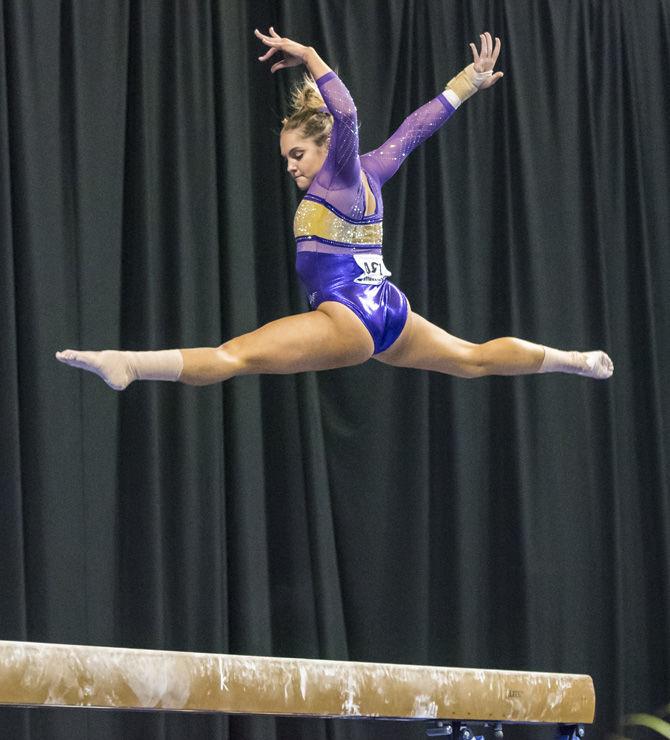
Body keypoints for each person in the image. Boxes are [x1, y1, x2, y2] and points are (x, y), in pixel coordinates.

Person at [56, 28, 613, 390]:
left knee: (235, 357)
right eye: (285, 158)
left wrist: (310, 56)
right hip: (389, 308)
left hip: (348, 313)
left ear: (323, 149)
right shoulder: (372, 170)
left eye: (297, 154)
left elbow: (344, 115)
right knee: (471, 359)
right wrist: (465, 85)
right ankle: (576, 360)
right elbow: (414, 129)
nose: (291, 167)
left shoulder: (342, 172)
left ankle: (130, 363)